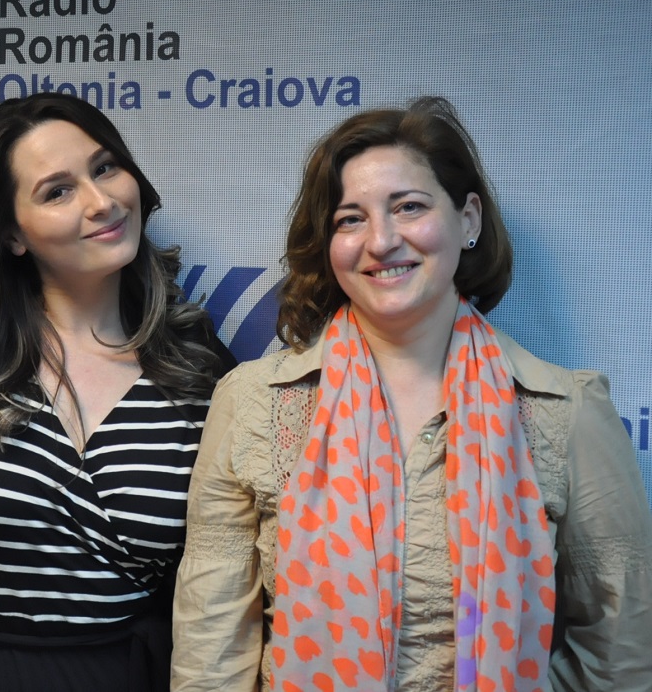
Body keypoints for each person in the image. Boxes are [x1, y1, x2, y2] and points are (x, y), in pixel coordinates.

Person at [172, 96, 652, 691]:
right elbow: (211, 650)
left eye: (409, 207)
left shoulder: (566, 412)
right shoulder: (253, 404)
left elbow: (620, 656)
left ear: (468, 219)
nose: (381, 241)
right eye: (350, 219)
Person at [0, 92, 235, 692]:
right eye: (57, 191)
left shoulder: (197, 361)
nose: (102, 202)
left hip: (136, 673)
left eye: (106, 167)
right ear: (11, 234)